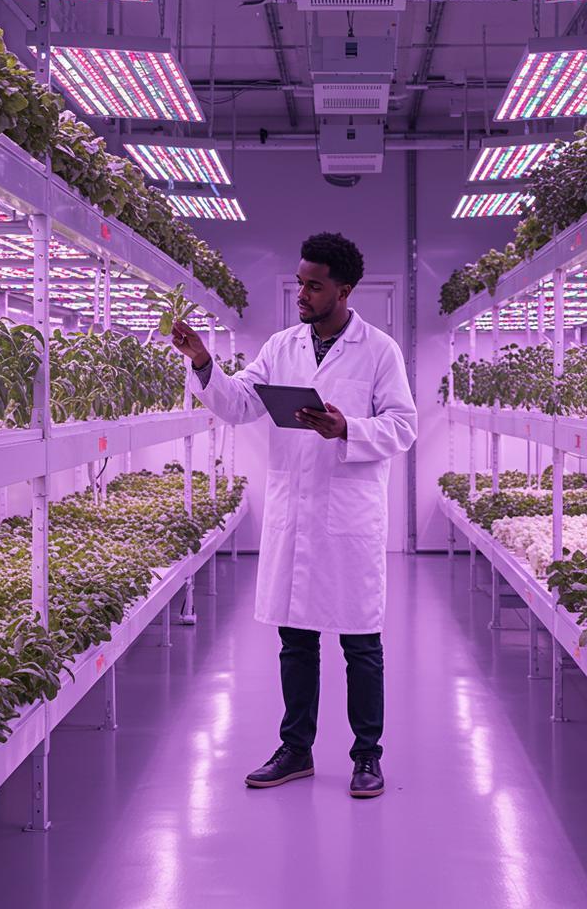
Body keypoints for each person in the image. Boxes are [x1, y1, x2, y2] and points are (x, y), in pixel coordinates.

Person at [171, 232, 418, 799]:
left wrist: (348, 428)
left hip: (349, 516)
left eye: (315, 286)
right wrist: (203, 361)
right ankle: (296, 750)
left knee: (361, 644)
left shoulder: (380, 350)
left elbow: (403, 426)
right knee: (296, 641)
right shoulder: (281, 346)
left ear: (344, 291)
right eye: (300, 283)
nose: (302, 294)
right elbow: (239, 405)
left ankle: (367, 755)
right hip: (295, 512)